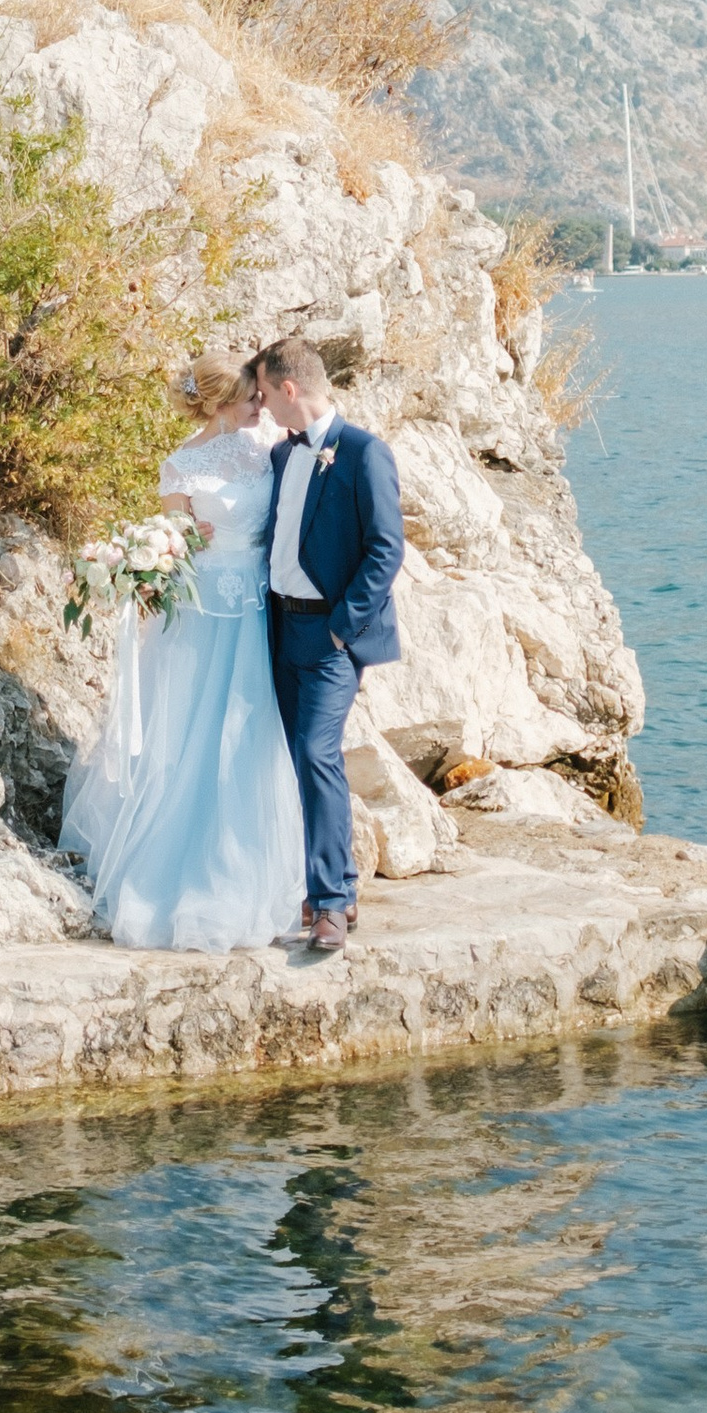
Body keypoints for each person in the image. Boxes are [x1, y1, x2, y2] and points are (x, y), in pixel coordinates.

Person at [61, 358, 307, 952]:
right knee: (194, 736)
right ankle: (182, 872)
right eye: (251, 397)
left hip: (257, 607)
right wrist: (163, 553)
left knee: (249, 735)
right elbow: (178, 542)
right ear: (223, 401)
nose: (261, 406)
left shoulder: (268, 444)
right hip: (201, 618)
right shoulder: (182, 464)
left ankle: (250, 868)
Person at [254, 336, 406, 956]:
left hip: (330, 635)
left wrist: (344, 624)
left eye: (265, 394)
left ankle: (332, 906)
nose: (261, 406)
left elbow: (386, 548)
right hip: (280, 629)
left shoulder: (365, 453)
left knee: (317, 755)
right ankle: (331, 885)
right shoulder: (282, 458)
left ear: (290, 390)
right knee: (296, 759)